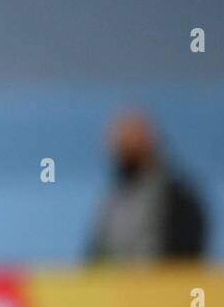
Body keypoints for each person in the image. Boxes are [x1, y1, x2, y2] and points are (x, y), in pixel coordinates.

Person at [85, 110, 207, 263]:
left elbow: (186, 258)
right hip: (113, 285)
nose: (122, 148)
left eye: (130, 140)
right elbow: (95, 252)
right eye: (119, 142)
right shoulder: (115, 198)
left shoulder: (176, 198)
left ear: (149, 142)